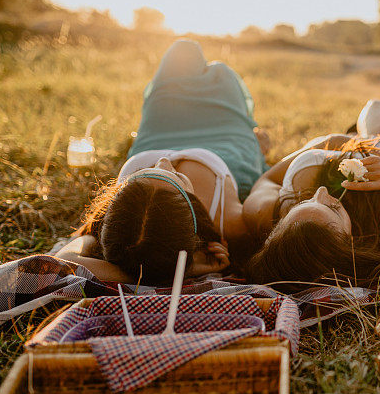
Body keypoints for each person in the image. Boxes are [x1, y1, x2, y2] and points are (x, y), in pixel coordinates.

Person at [56, 40, 270, 284]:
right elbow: (269, 182)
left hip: (160, 131)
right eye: (176, 179)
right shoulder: (230, 222)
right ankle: (256, 142)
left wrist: (140, 273)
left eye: (143, 176)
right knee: (221, 74)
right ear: (191, 211)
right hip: (229, 146)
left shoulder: (122, 227)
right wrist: (182, 269)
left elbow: (63, 265)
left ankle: (252, 139)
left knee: (183, 50)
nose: (163, 161)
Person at [243, 100, 380, 291]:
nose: (321, 192)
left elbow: (266, 179)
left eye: (301, 203)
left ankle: (348, 137)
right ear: (350, 243)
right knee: (374, 106)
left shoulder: (261, 213)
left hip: (331, 152)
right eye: (332, 208)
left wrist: (327, 145)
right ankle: (361, 136)